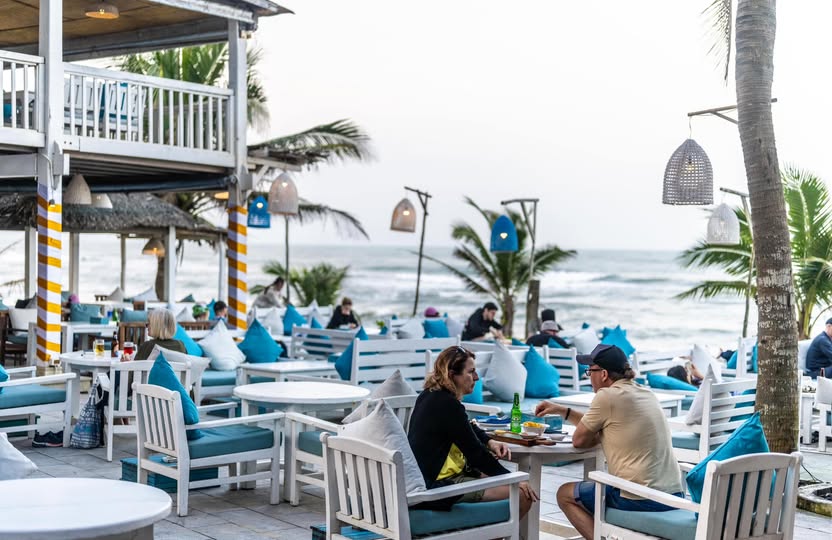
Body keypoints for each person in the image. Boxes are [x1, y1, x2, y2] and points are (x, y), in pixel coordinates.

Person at [534, 344, 683, 539]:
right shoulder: (644, 392)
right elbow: (601, 427)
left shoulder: (607, 396)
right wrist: (563, 411)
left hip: (638, 496)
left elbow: (579, 440)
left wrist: (584, 429)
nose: (589, 377)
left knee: (565, 494)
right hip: (673, 494)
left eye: (590, 371)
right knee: (590, 492)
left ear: (603, 374)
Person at [408, 345, 539, 514]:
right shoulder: (447, 404)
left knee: (507, 481)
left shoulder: (431, 395)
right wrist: (512, 479)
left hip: (439, 476)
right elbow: (476, 454)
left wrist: (489, 441)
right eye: (471, 372)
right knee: (523, 493)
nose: (476, 377)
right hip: (437, 486)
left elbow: (465, 426)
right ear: (452, 375)